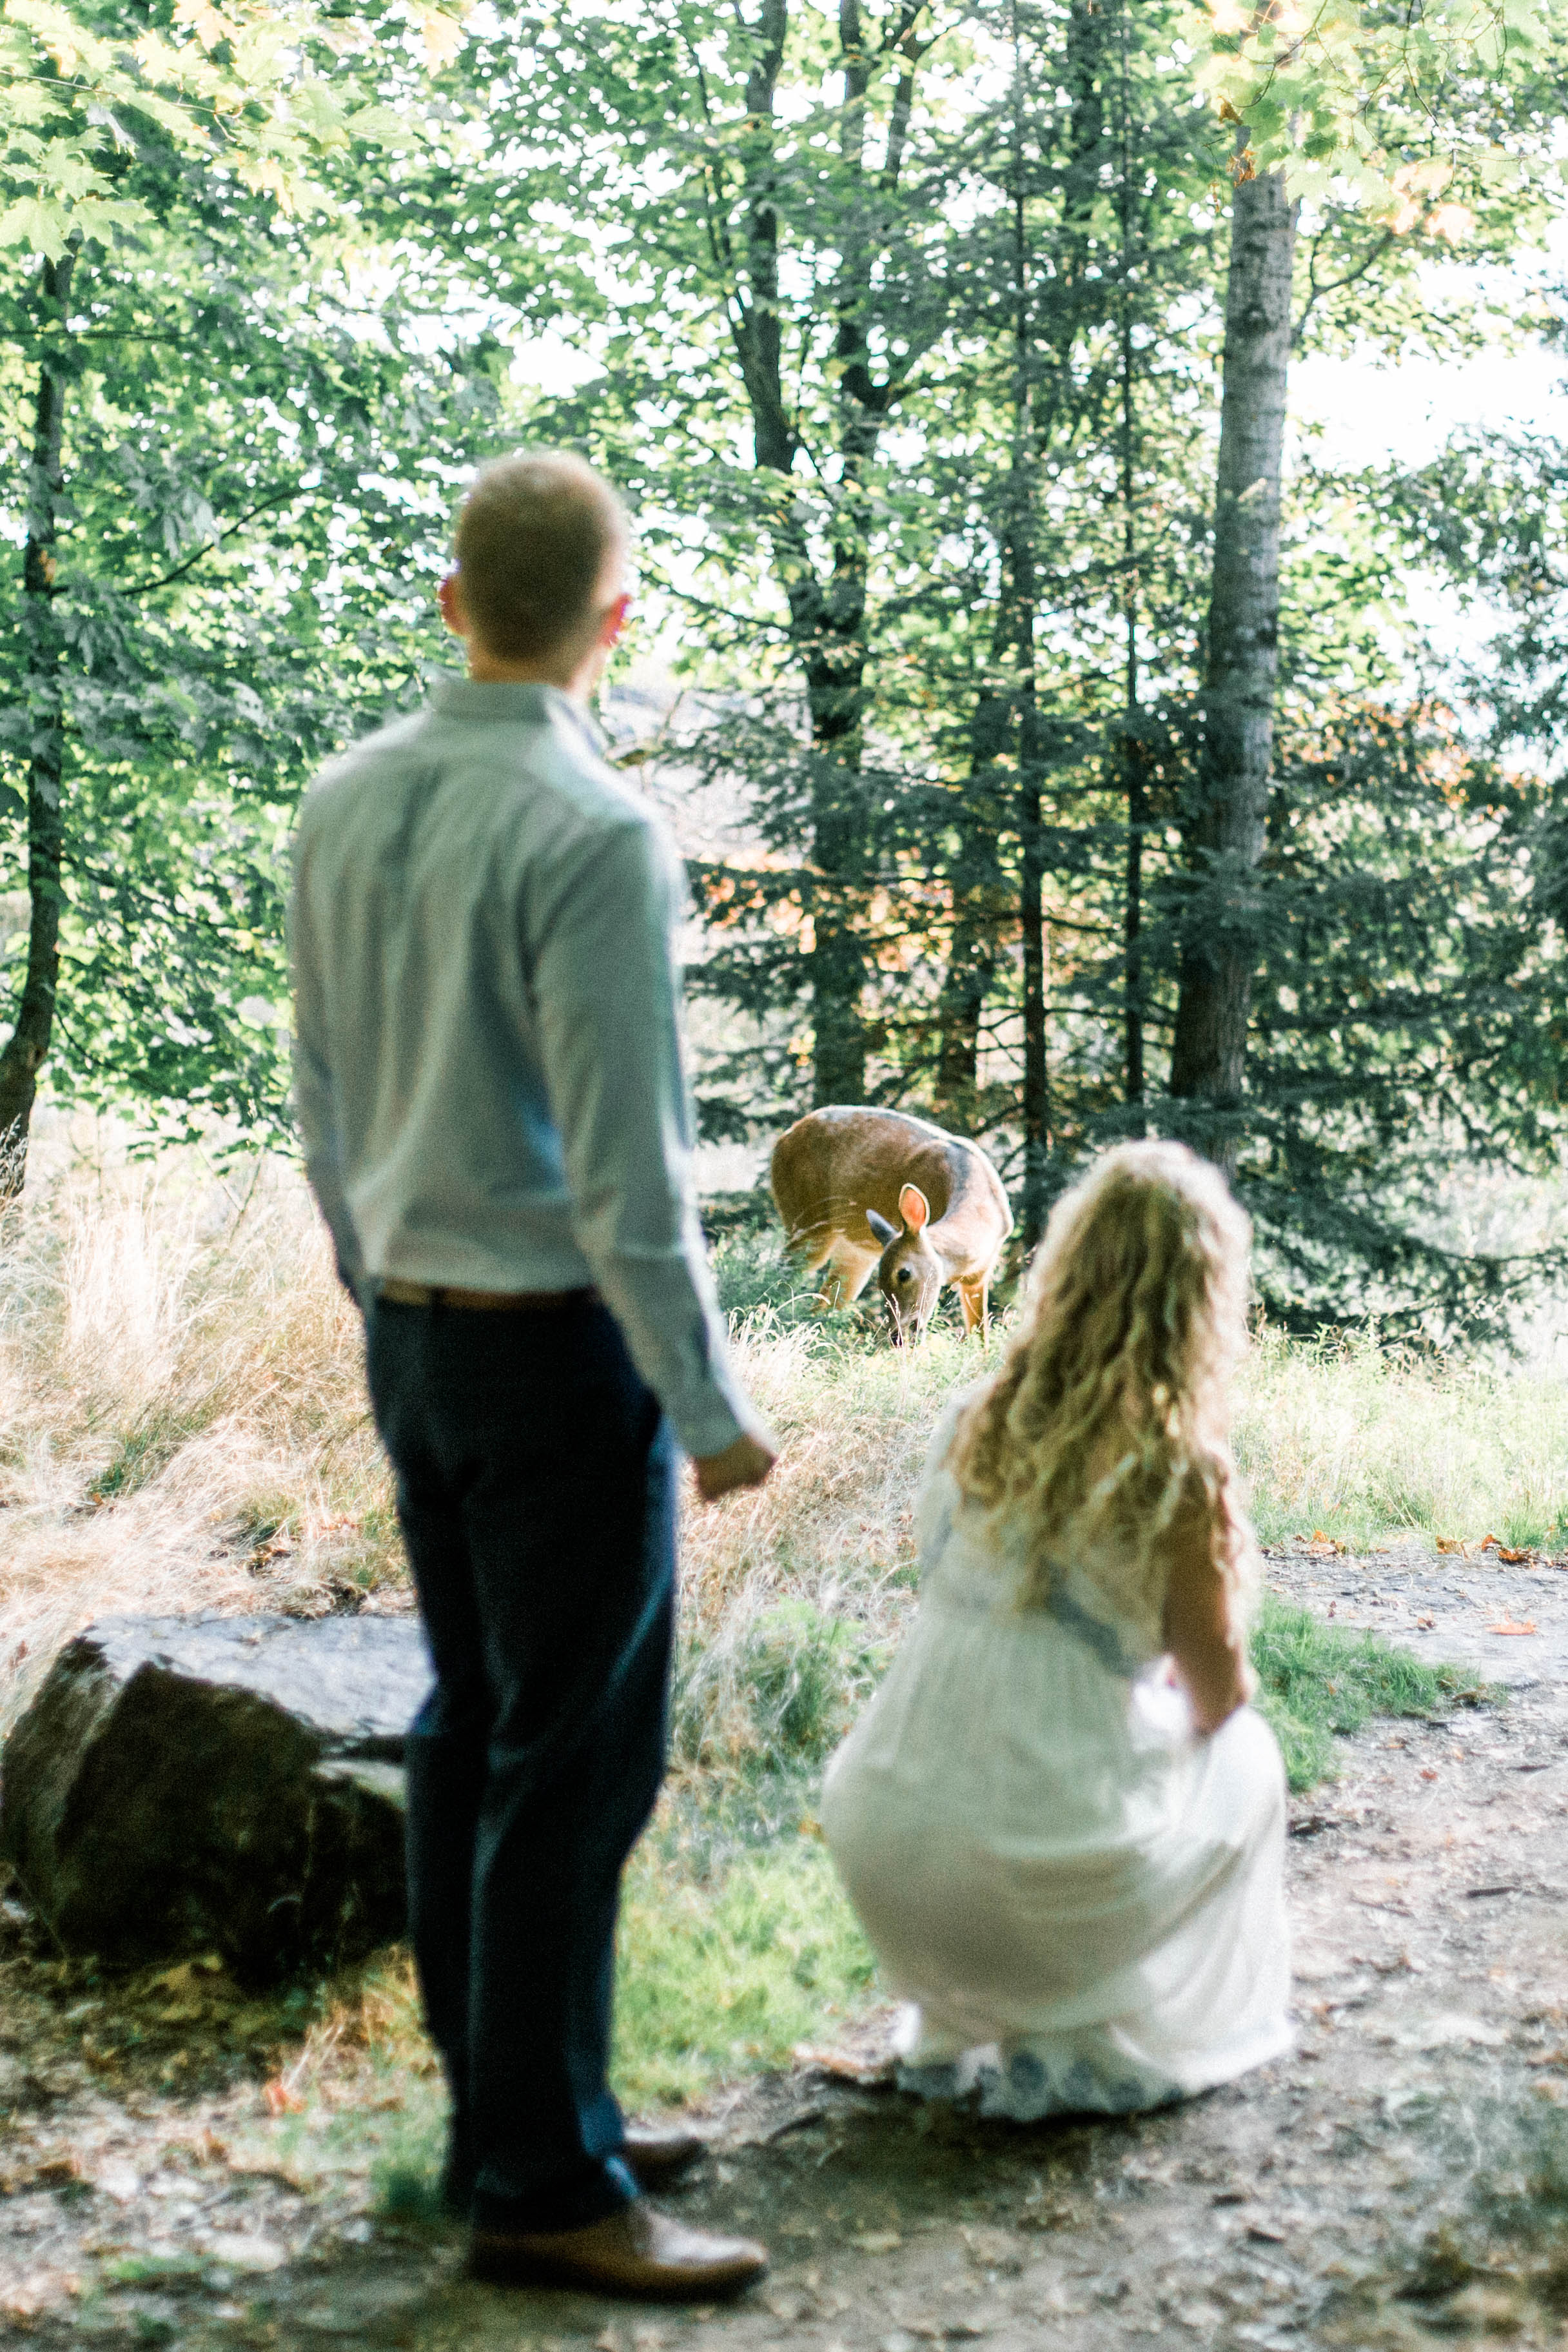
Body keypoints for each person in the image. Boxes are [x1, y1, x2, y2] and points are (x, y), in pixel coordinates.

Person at [289, 451, 776, 2300]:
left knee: (472, 1729)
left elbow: (320, 1097)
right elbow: (631, 1176)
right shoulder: (597, 833)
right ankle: (548, 2190)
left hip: (411, 1336)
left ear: (450, 602)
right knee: (569, 1764)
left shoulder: (346, 798)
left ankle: (509, 2109)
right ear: (615, 620)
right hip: (559, 1360)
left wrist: (376, 1291)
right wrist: (712, 1411)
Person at [820, 1140, 1291, 2121]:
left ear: (1064, 1272)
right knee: (1245, 1756)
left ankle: (966, 2011)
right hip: (1036, 1871)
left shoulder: (966, 1420)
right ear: (1201, 1304)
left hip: (881, 1846)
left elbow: (964, 1612)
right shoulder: (1178, 1474)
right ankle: (1081, 2016)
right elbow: (1219, 1694)